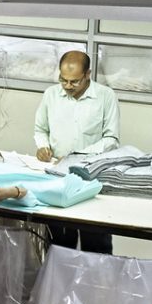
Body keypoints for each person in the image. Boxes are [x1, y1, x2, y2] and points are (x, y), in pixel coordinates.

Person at [32, 51, 120, 254]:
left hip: (91, 176)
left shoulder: (105, 96)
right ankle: (59, 283)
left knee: (96, 243)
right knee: (59, 244)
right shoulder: (51, 94)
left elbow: (111, 139)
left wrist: (77, 155)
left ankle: (96, 284)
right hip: (58, 176)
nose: (68, 86)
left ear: (88, 74)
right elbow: (40, 129)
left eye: (74, 82)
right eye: (63, 80)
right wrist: (43, 146)